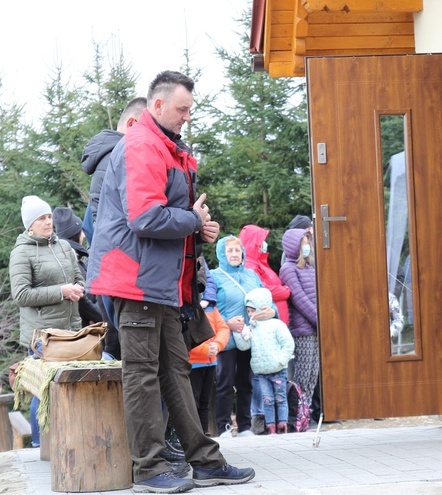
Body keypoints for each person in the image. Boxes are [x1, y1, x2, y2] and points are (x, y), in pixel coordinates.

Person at [86, 70, 254, 493]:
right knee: (142, 374)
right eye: (182, 110)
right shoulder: (142, 145)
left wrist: (197, 229)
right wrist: (191, 220)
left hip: (156, 284)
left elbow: (163, 216)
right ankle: (149, 469)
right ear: (157, 106)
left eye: (189, 111)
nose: (186, 118)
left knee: (175, 371)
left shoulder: (163, 147)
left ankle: (204, 460)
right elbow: (144, 217)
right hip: (136, 283)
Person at [9, 195, 85, 448]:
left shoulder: (63, 246)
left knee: (67, 385)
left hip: (72, 329)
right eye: (41, 218)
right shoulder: (21, 253)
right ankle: (40, 445)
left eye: (49, 216)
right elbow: (21, 295)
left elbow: (78, 276)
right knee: (45, 386)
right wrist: (61, 291)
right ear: (30, 224)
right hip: (42, 334)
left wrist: (78, 289)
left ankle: (67, 442)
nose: (48, 221)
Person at [81, 96, 147, 360]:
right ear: (132, 124)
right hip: (119, 274)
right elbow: (102, 226)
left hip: (111, 275)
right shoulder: (115, 158)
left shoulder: (114, 155)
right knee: (129, 358)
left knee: (121, 353)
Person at [212, 235, 276, 437]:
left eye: (237, 250)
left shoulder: (251, 276)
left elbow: (267, 300)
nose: (233, 254)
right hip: (226, 338)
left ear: (243, 253)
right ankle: (223, 427)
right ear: (222, 253)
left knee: (246, 383)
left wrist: (271, 312)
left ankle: (245, 426)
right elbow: (207, 308)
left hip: (249, 338)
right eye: (229, 250)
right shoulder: (215, 275)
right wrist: (226, 324)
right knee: (224, 382)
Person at [243, 287, 295, 434]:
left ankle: (282, 424)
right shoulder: (253, 327)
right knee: (267, 400)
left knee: (280, 398)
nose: (250, 314)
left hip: (278, 369)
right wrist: (242, 334)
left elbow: (288, 343)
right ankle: (270, 426)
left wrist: (281, 360)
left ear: (262, 308)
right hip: (261, 371)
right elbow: (244, 346)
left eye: (253, 310)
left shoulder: (277, 325)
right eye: (248, 311)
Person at [279, 228, 319, 412]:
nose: (306, 246)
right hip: (302, 330)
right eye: (303, 243)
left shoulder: (310, 267)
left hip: (316, 329)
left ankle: (307, 411)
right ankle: (296, 413)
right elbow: (300, 299)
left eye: (307, 242)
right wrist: (319, 319)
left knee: (313, 374)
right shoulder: (288, 269)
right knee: (302, 375)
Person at [189, 265, 230, 436]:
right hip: (193, 364)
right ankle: (195, 434)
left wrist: (218, 345)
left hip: (210, 362)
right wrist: (206, 349)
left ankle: (204, 432)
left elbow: (223, 328)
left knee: (205, 402)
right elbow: (188, 337)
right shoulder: (189, 311)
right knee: (194, 401)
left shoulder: (211, 309)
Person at [52, 206, 101, 327]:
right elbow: (82, 301)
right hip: (80, 330)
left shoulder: (72, 259)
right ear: (74, 234)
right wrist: (102, 318)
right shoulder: (69, 262)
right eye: (81, 231)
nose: (84, 235)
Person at [239, 224, 290, 323]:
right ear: (254, 242)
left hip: (275, 319)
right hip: (268, 321)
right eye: (261, 240)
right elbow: (263, 290)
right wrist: (285, 291)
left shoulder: (258, 262)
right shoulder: (250, 265)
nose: (264, 243)